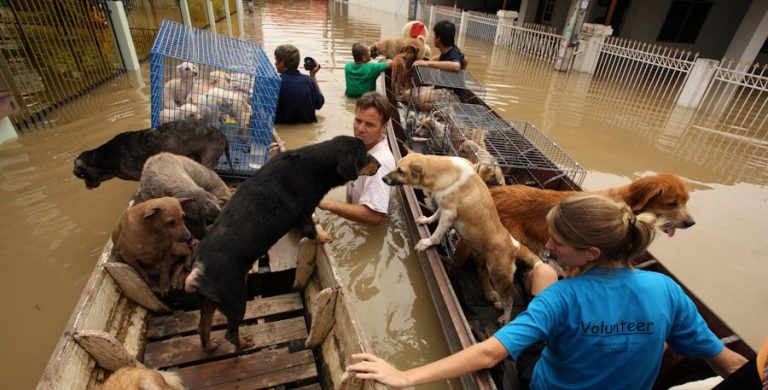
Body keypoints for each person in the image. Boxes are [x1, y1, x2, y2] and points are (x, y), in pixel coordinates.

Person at [346, 194, 748, 389]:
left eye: (556, 243)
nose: (549, 246)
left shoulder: (562, 298)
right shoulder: (666, 289)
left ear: (590, 253)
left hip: (546, 380)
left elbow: (490, 353)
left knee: (536, 294)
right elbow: (727, 362)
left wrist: (406, 376)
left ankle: (533, 287)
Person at [318, 92, 396, 225]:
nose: (360, 129)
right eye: (358, 121)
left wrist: (326, 204)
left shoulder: (379, 163)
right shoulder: (363, 146)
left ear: (384, 127)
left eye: (369, 125)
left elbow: (374, 216)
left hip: (365, 229)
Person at [274, 44, 324, 124]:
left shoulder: (275, 82)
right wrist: (313, 76)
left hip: (284, 131)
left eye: (276, 60)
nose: (275, 63)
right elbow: (319, 104)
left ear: (282, 63)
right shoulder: (309, 81)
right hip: (310, 132)